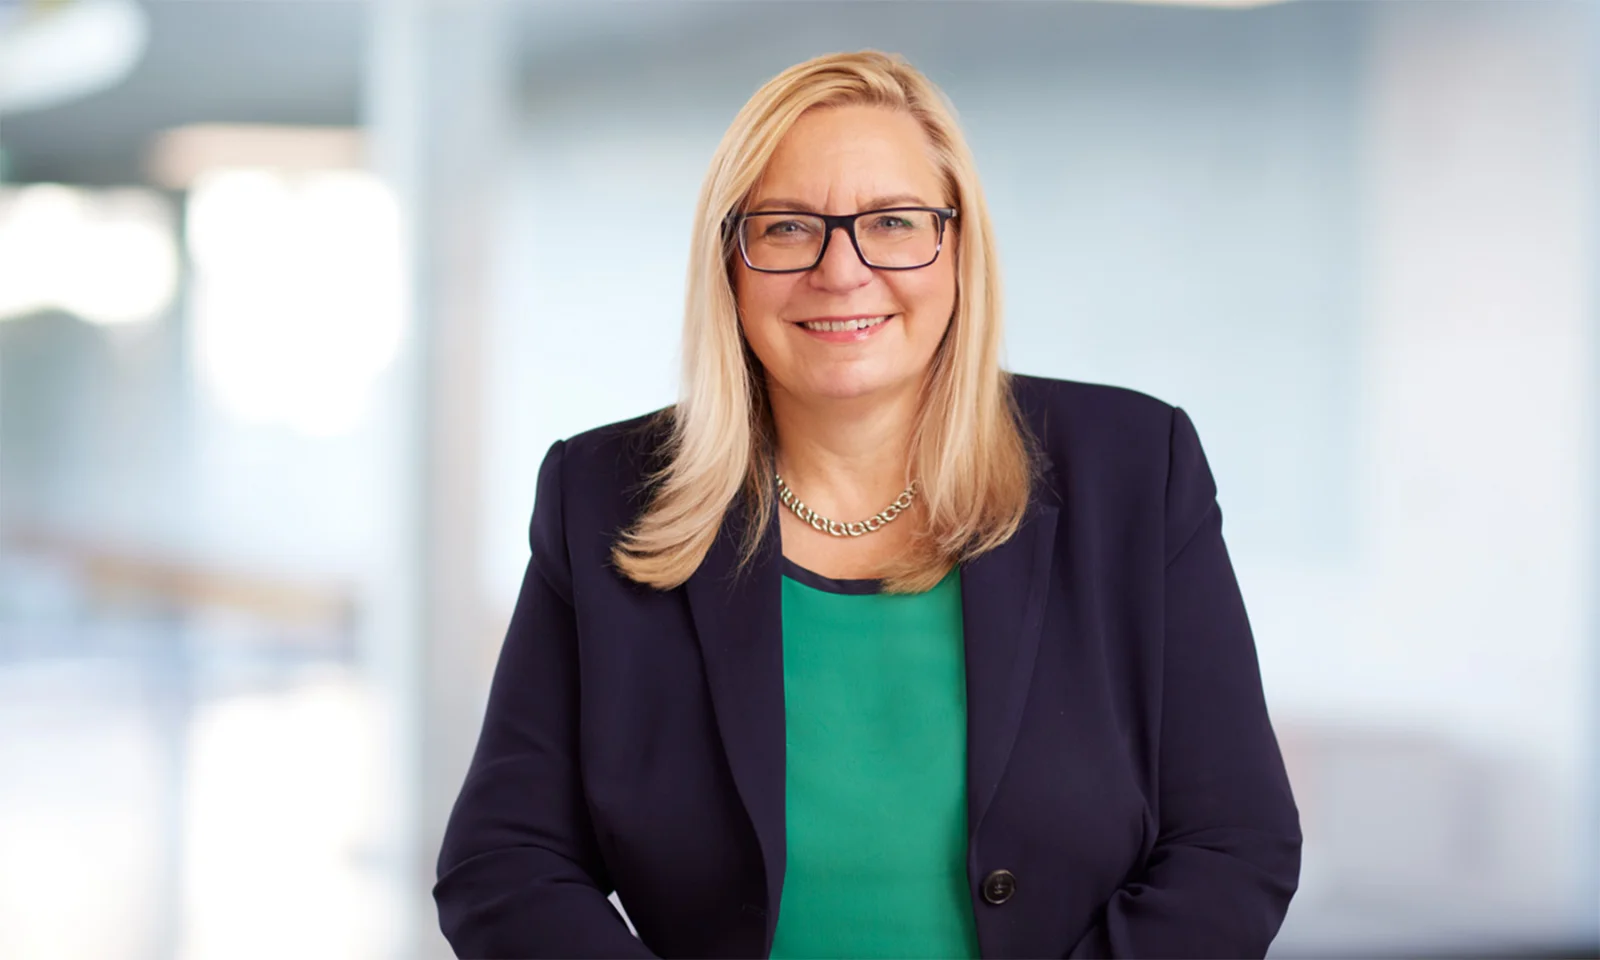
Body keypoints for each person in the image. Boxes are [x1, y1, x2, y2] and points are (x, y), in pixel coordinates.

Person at [434, 50, 1301, 959]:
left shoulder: (1133, 468)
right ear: (728, 262)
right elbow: (504, 862)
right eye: (786, 228)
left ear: (959, 247)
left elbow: (1233, 844)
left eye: (892, 222)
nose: (841, 271)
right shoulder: (603, 494)